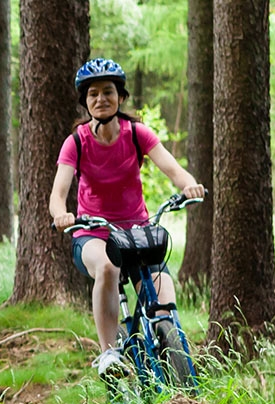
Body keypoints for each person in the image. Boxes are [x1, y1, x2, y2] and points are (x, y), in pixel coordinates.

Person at [48, 58, 207, 375]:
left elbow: (174, 169)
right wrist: (62, 215)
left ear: (120, 97)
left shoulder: (137, 134)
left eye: (108, 92)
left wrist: (190, 186)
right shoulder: (76, 142)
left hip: (137, 233)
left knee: (165, 304)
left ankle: (173, 357)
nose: (101, 99)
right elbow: (57, 193)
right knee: (107, 266)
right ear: (86, 101)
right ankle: (108, 354)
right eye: (93, 94)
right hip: (93, 234)